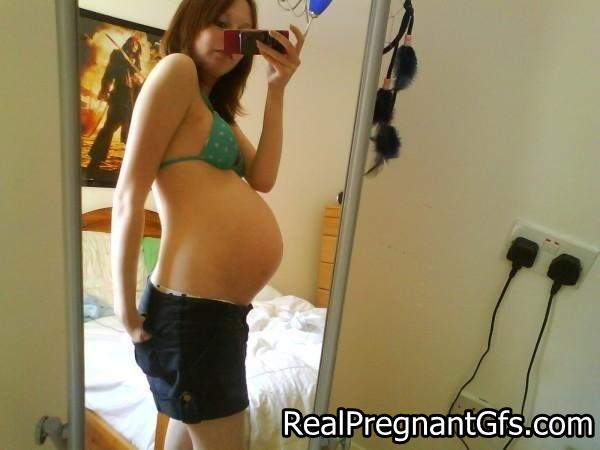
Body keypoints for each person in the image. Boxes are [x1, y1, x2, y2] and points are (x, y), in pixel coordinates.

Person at [110, 0, 303, 448]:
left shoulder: (210, 108)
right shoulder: (176, 71)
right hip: (190, 315)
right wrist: (123, 304)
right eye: (221, 23)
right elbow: (128, 194)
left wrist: (277, 89)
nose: (231, 39)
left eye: (243, 32)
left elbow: (263, 177)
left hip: (215, 316)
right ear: (192, 21)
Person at [87, 35, 144, 179]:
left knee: (132, 134)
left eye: (136, 44)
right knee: (108, 129)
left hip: (132, 102)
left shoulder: (136, 61)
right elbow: (109, 74)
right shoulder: (118, 55)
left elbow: (138, 81)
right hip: (119, 99)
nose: (134, 46)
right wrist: (105, 90)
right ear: (127, 44)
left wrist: (140, 81)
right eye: (132, 43)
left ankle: (133, 167)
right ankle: (95, 161)